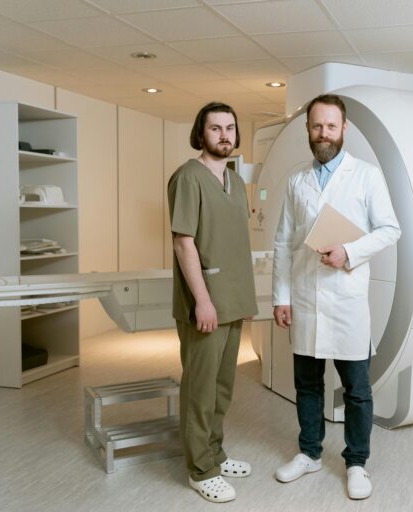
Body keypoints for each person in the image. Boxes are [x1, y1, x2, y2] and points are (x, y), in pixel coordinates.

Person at [272, 94, 401, 500]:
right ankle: (309, 452)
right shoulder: (296, 182)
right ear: (307, 130)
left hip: (346, 299)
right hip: (307, 299)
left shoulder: (366, 175)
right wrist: (281, 297)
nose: (323, 133)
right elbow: (282, 244)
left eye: (330, 126)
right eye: (316, 126)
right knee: (307, 385)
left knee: (357, 390)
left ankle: (356, 462)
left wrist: (350, 252)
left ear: (343, 129)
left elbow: (390, 229)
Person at [167, 102, 257, 503]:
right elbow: (183, 242)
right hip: (206, 303)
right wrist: (202, 300)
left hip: (234, 300)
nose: (224, 135)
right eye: (215, 128)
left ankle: (215, 454)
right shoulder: (188, 177)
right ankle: (199, 469)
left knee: (222, 388)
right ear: (200, 134)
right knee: (200, 389)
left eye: (230, 128)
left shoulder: (235, 182)